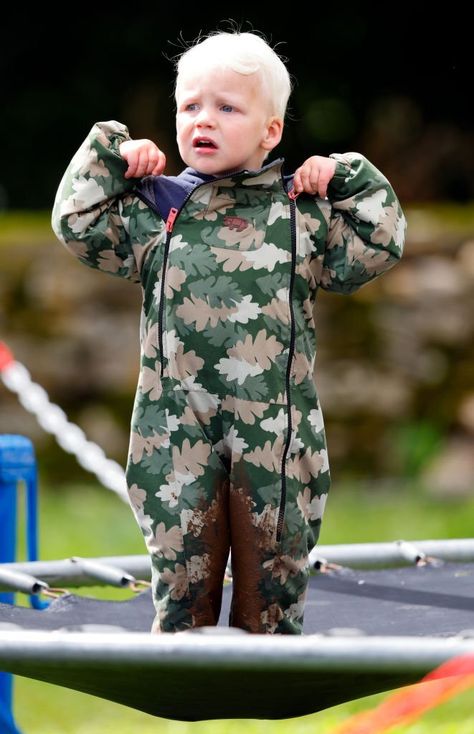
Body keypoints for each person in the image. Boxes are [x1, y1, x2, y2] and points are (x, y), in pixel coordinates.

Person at [51, 30, 406, 635]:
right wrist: (114, 154)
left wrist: (344, 176)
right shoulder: (158, 210)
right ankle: (184, 671)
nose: (202, 120)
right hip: (174, 427)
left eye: (226, 107)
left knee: (273, 574)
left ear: (270, 131)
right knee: (181, 568)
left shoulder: (301, 213)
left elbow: (381, 242)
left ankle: (271, 671)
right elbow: (76, 223)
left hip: (275, 430)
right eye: (190, 106)